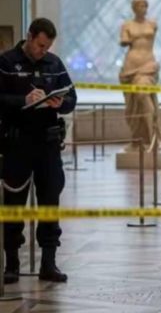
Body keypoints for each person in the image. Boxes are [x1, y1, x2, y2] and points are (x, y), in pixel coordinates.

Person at [0, 18, 77, 283]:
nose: (43, 51)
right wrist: (23, 100)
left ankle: (48, 263)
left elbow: (72, 99)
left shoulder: (54, 63)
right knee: (13, 204)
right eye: (40, 45)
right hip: (17, 143)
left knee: (50, 202)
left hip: (47, 144)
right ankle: (11, 263)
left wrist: (59, 103)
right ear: (30, 36)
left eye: (48, 47)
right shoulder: (6, 62)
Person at [119, 0, 159, 156]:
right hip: (131, 65)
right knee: (132, 104)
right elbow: (123, 41)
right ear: (134, 8)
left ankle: (152, 135)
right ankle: (138, 139)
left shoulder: (152, 24)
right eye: (139, 5)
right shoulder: (127, 25)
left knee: (143, 94)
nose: (143, 8)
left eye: (145, 5)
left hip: (148, 64)